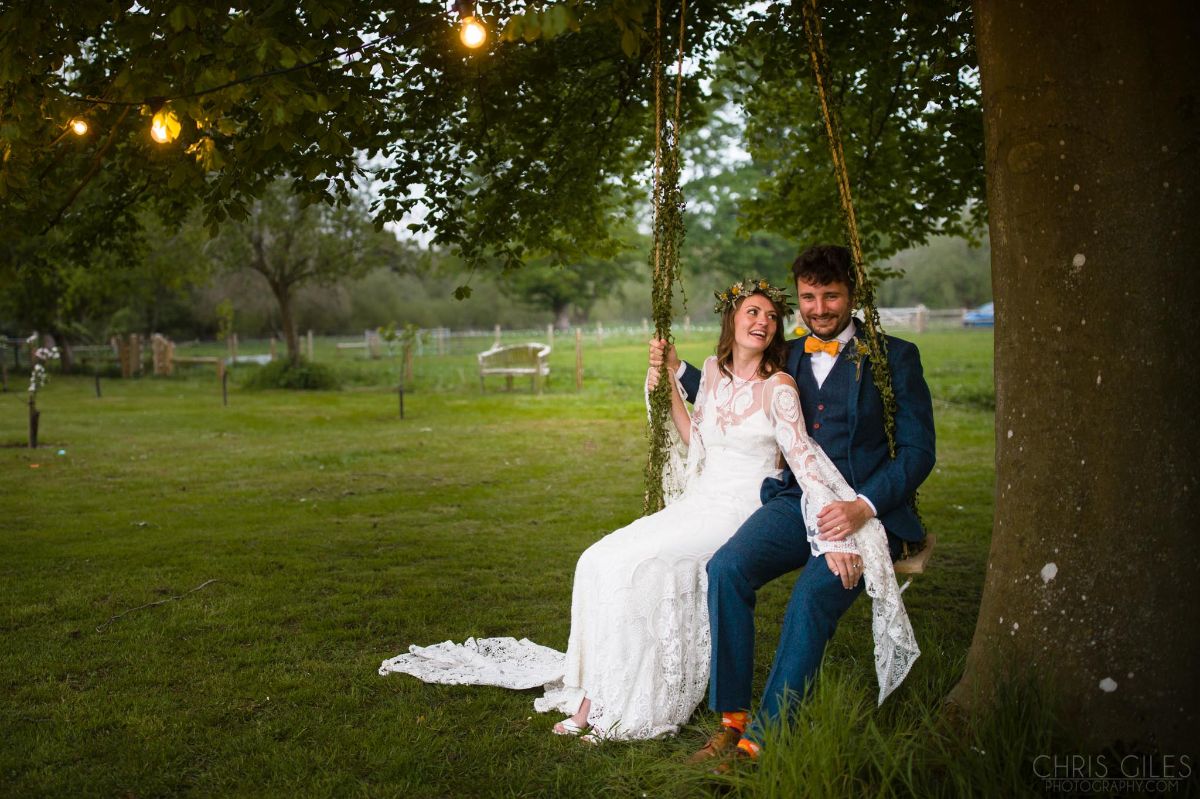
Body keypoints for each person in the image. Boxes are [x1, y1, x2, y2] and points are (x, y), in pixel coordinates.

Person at [380, 272, 919, 743]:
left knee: (645, 569)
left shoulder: (784, 384)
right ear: (731, 319)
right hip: (699, 499)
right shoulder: (711, 372)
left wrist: (840, 529)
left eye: (772, 316)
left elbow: (804, 460)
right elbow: (697, 438)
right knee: (597, 559)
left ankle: (634, 705)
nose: (765, 321)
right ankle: (593, 693)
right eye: (753, 311)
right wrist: (667, 382)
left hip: (743, 509)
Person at [653, 244, 935, 764]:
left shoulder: (896, 356)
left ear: (853, 294)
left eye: (831, 296)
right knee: (728, 568)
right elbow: (734, 390)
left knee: (810, 597)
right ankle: (731, 719)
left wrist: (864, 507)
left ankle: (762, 739)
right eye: (809, 297)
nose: (820, 308)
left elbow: (919, 453)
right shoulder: (792, 356)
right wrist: (677, 369)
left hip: (866, 511)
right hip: (796, 500)